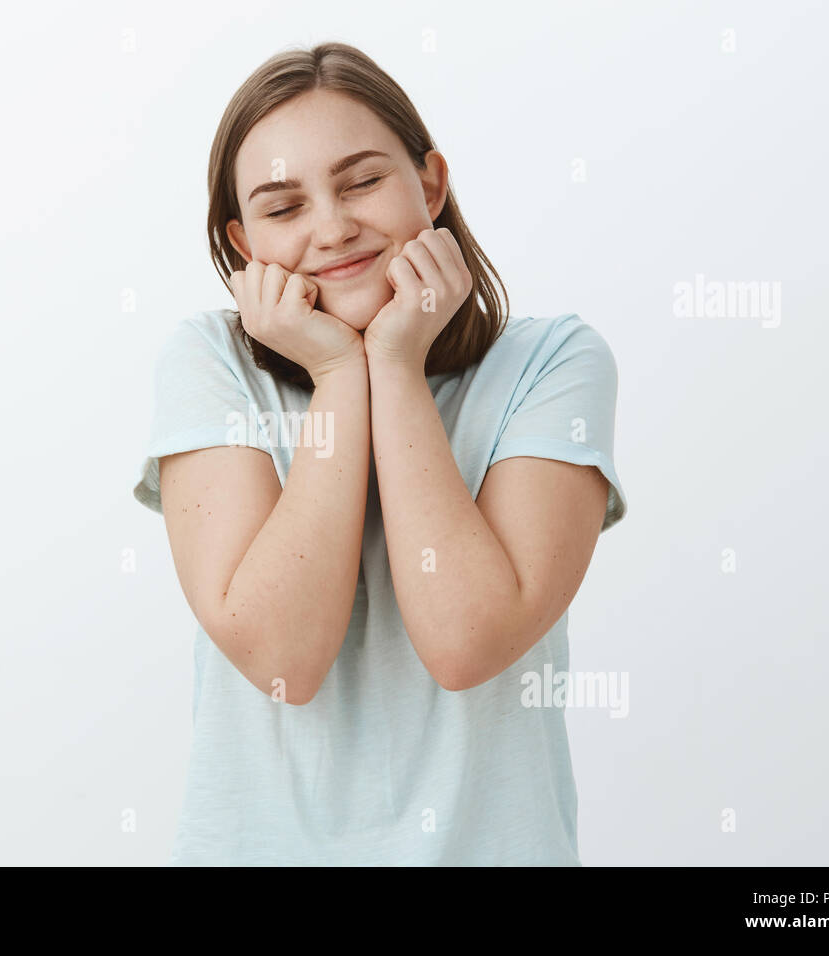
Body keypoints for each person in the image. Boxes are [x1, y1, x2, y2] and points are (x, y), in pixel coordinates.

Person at [132, 42, 628, 865]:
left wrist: (393, 363)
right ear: (245, 241)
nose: (333, 227)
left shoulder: (554, 364)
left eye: (362, 181)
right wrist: (336, 372)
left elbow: (466, 642)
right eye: (283, 207)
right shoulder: (207, 364)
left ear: (430, 185)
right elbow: (286, 659)